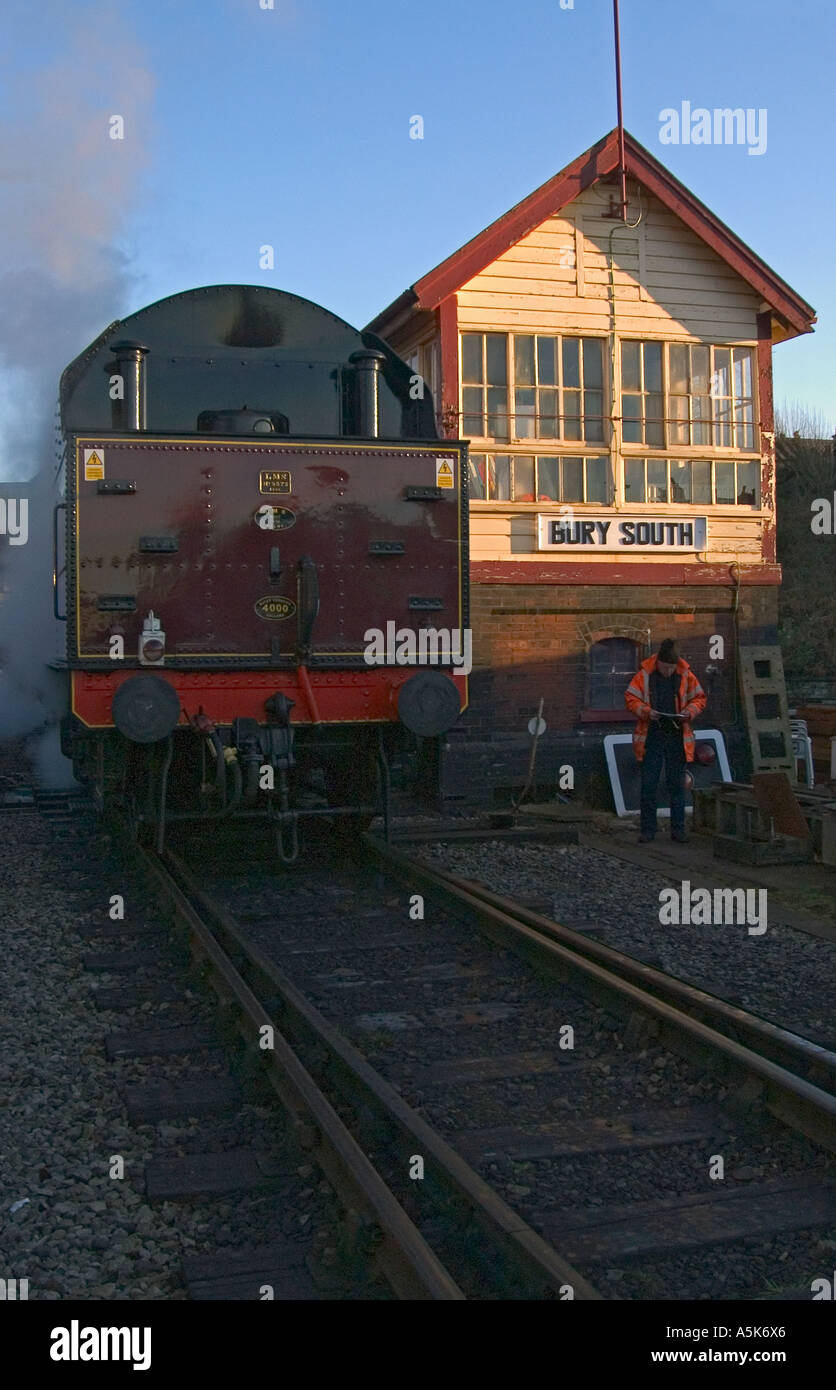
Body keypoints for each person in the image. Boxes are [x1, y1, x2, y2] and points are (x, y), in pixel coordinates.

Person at [624, 639, 707, 844]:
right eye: (665, 667)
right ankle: (648, 830)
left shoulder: (686, 674)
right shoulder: (644, 675)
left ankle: (678, 831)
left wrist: (689, 712)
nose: (668, 672)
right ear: (658, 662)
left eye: (671, 668)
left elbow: (699, 698)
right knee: (648, 785)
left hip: (677, 736)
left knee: (677, 784)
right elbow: (631, 698)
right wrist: (645, 711)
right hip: (651, 735)